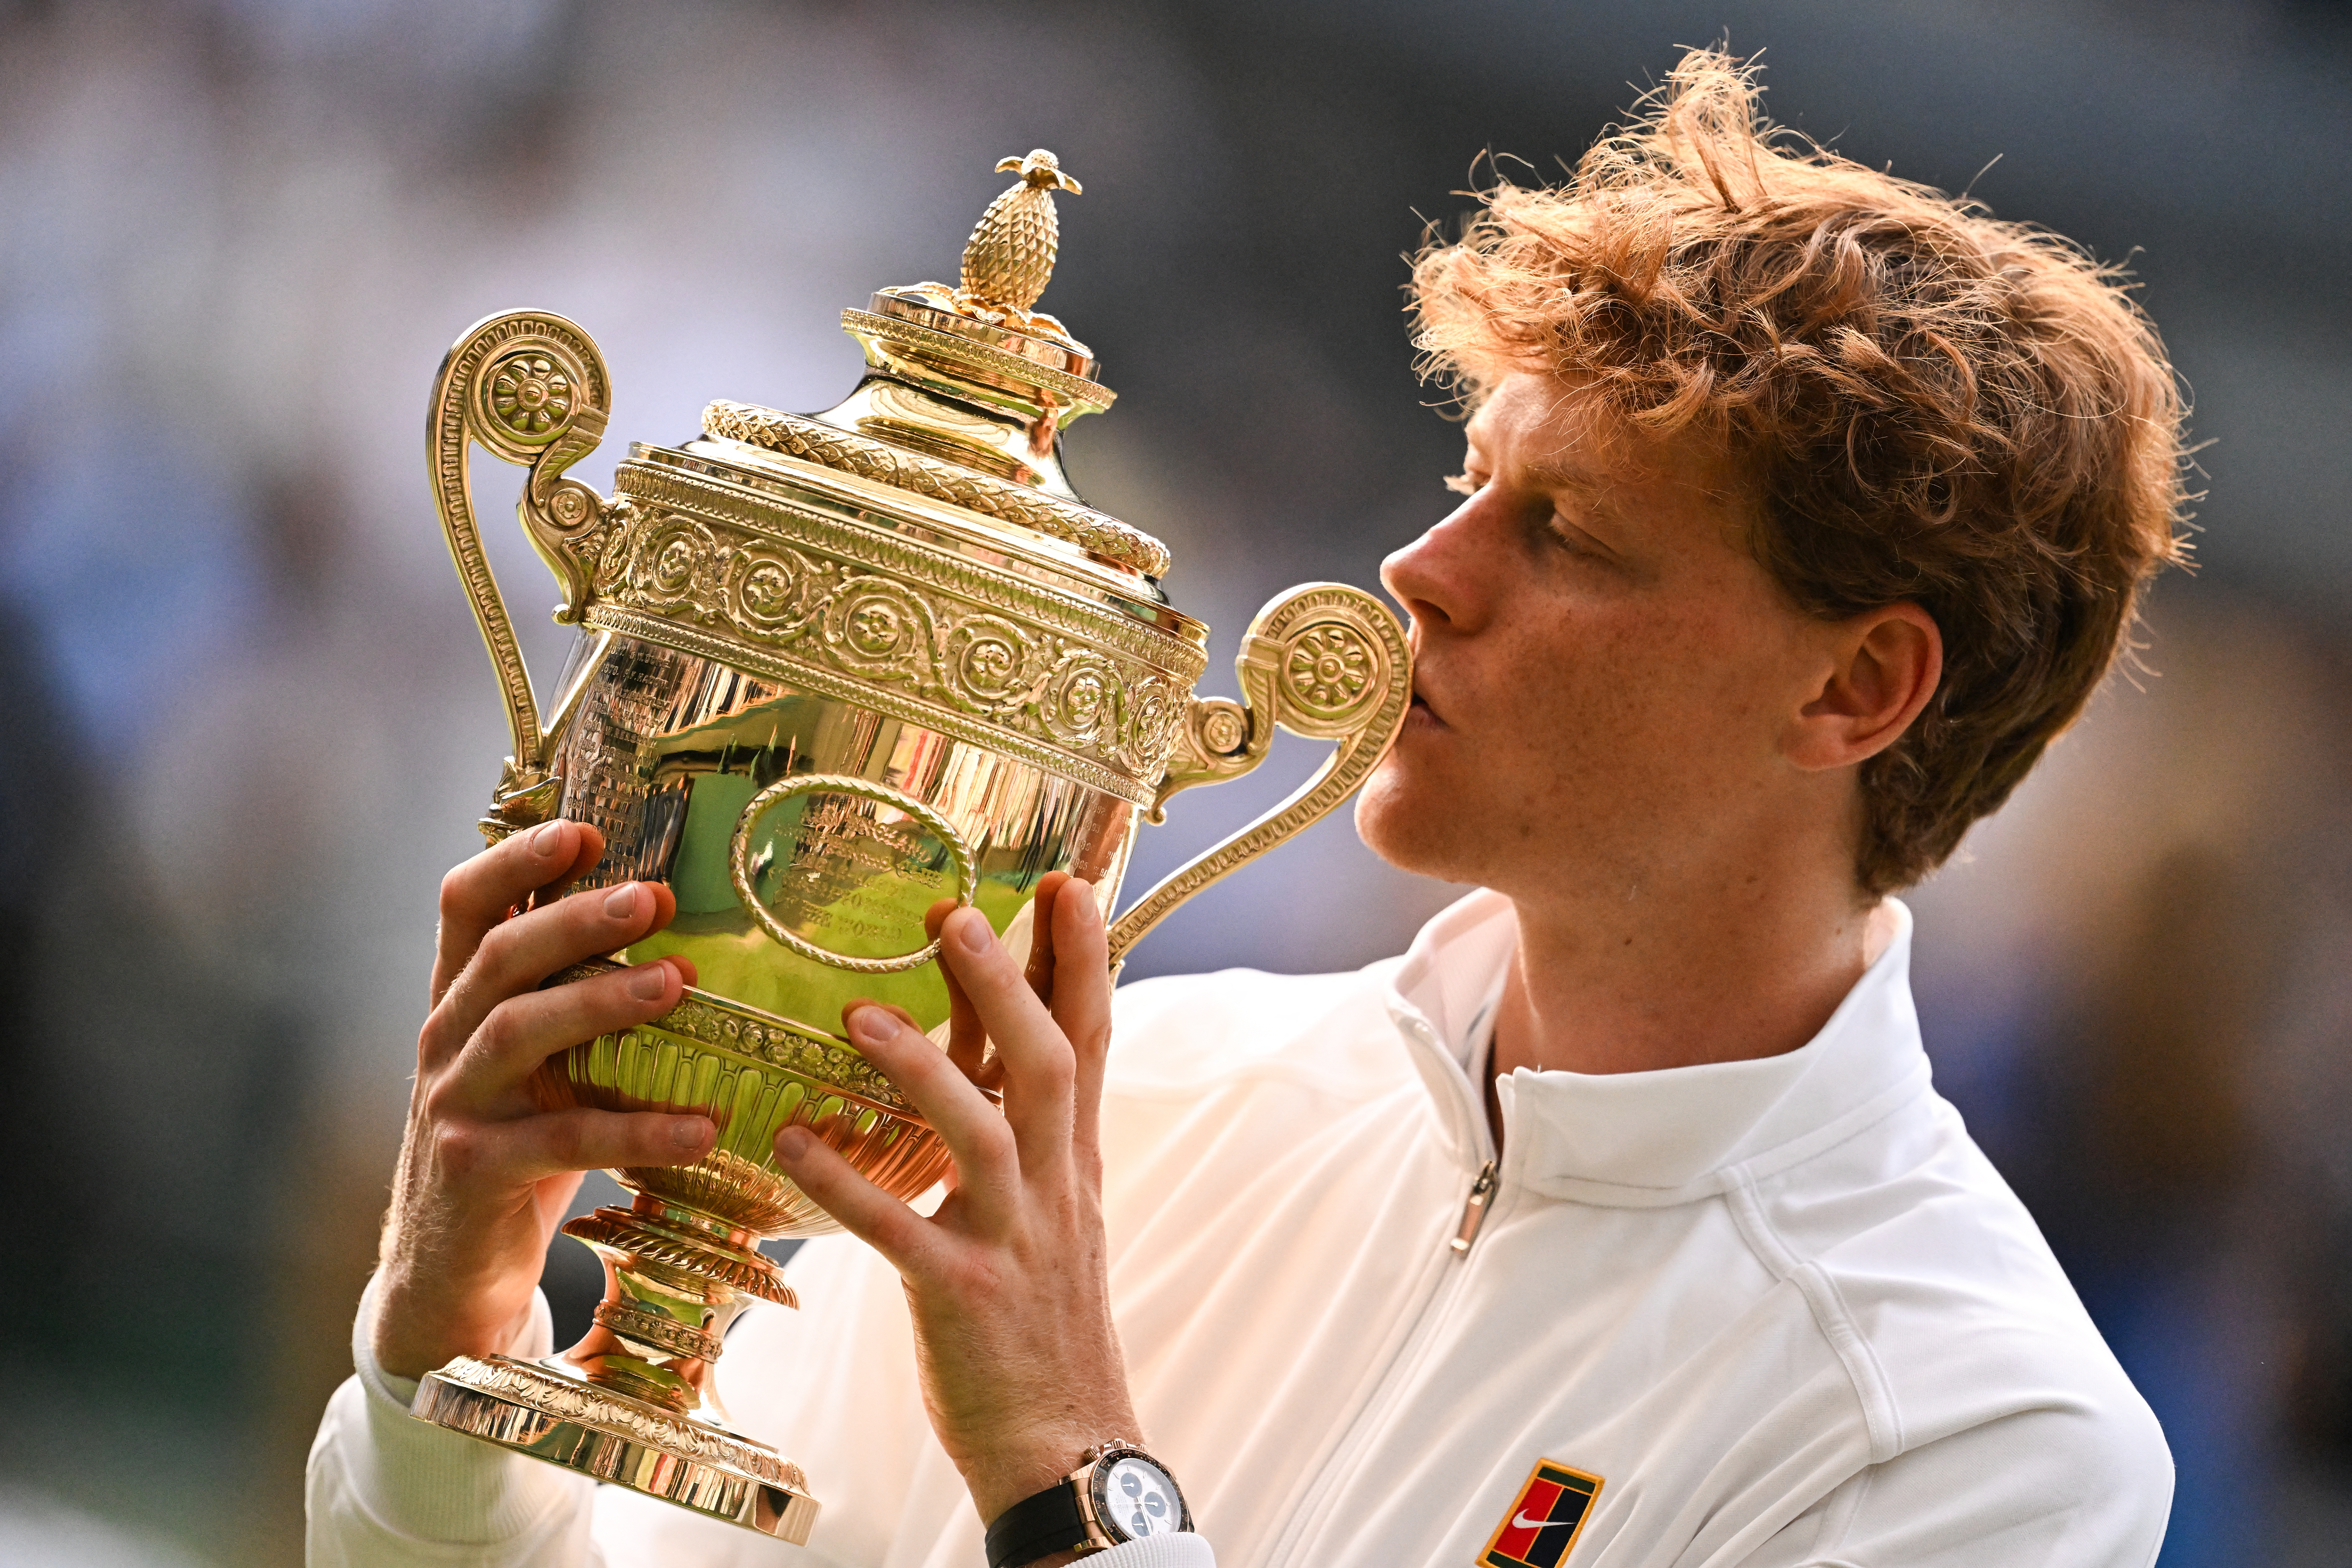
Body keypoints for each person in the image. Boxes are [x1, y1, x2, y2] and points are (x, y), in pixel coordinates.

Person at [309, 49, 2188, 1568]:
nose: (1423, 573)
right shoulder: (1121, 1099)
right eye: (1465, 485)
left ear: (1856, 689)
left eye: (1569, 536)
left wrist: (1073, 1477)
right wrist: (448, 1345)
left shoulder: (1979, 1439)